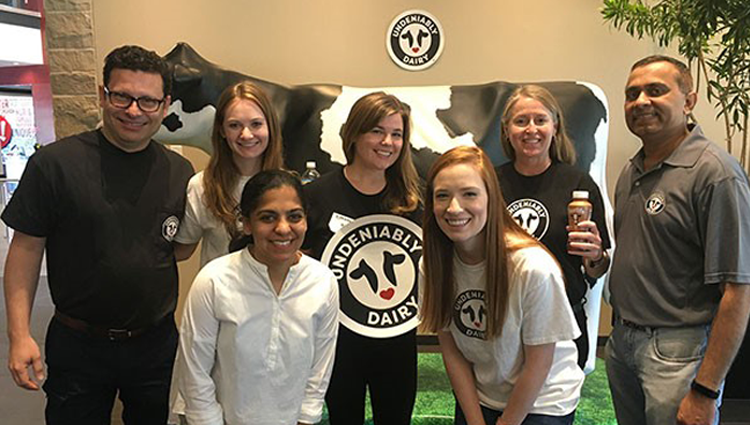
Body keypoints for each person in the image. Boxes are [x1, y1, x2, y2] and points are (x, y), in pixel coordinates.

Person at [2, 45, 194, 424]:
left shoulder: (180, 172)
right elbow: (24, 251)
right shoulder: (54, 165)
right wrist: (19, 334)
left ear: (166, 104)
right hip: (78, 344)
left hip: (155, 344)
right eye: (122, 96)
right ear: (102, 95)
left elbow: (177, 248)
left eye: (148, 101)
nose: (134, 110)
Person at [606, 55, 750, 425]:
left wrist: (705, 391)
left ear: (688, 101)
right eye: (631, 94)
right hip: (622, 342)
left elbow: (737, 291)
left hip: (677, 352)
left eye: (656, 91)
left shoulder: (716, 174)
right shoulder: (632, 170)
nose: (640, 102)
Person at [421, 146, 584, 425]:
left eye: (469, 194)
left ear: (491, 199)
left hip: (542, 398)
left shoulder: (532, 268)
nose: (454, 208)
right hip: (485, 394)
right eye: (442, 196)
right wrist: (474, 420)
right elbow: (452, 351)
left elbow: (539, 363)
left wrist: (507, 421)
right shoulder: (433, 266)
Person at [175, 170, 338, 425]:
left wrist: (305, 419)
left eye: (294, 216)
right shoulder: (214, 280)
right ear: (247, 224)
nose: (283, 228)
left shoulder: (323, 281)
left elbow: (320, 366)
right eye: (268, 217)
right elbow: (194, 370)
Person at [303, 91, 422, 424]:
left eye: (397, 134)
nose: (388, 142)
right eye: (377, 131)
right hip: (339, 341)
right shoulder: (315, 195)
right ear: (354, 134)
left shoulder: (414, 199)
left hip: (397, 341)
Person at [495, 84, 611, 369]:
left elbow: (597, 268)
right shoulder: (489, 184)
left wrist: (595, 255)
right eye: (521, 121)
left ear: (555, 126)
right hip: (503, 322)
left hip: (563, 323)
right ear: (507, 130)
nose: (530, 129)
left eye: (540, 120)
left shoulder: (579, 185)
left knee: (552, 413)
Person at [173, 81, 284, 266]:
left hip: (274, 293)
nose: (246, 135)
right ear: (222, 130)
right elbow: (181, 251)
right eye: (234, 125)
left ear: (270, 127)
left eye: (256, 124)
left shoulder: (288, 187)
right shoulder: (202, 186)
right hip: (221, 293)